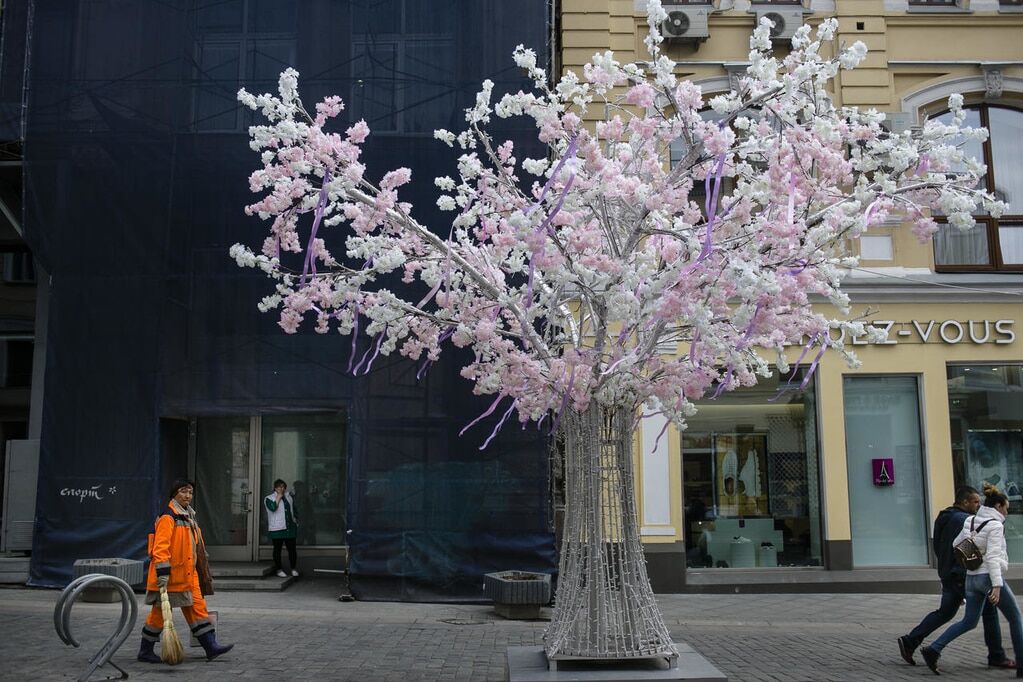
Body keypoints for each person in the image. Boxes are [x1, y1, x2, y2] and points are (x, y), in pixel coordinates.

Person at [898, 486, 1014, 669]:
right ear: (964, 502)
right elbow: (965, 549)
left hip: (947, 572)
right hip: (962, 574)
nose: (979, 505)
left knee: (946, 612)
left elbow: (940, 545)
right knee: (989, 612)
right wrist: (971, 568)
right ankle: (996, 656)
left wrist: (947, 573)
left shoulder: (943, 517)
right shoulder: (966, 520)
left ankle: (910, 641)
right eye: (975, 502)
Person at [137, 478, 234, 664]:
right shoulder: (169, 516)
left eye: (190, 492)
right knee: (160, 615)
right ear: (174, 493)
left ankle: (210, 646)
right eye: (183, 491)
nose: (188, 495)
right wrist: (162, 573)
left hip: (189, 576)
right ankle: (145, 651)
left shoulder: (188, 516)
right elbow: (160, 548)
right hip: (172, 577)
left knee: (198, 609)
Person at [265, 479, 299, 578]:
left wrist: (296, 520)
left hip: (290, 528)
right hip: (277, 528)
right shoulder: (269, 498)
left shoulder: (289, 497)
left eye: (284, 487)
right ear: (275, 488)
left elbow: (294, 509)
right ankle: (279, 569)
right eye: (280, 487)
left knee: (292, 549)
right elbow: (272, 508)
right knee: (277, 550)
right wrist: (279, 497)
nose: (282, 489)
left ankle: (293, 568)